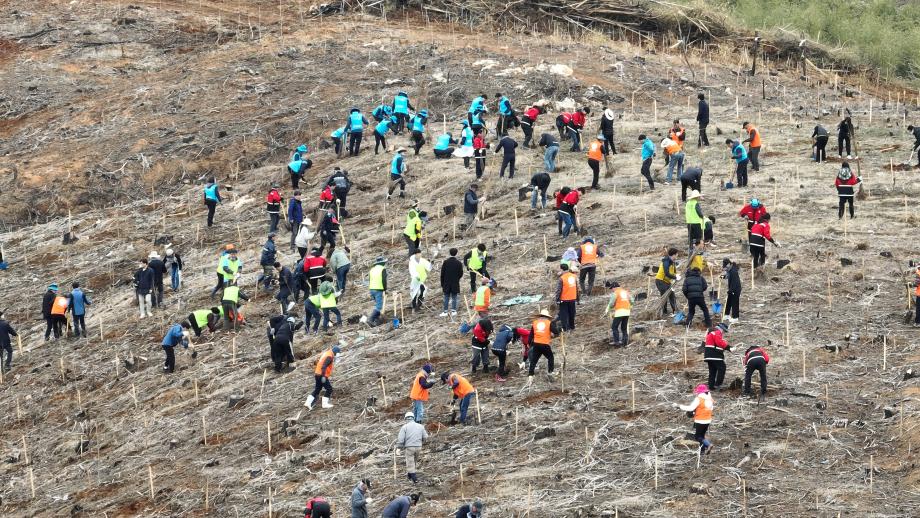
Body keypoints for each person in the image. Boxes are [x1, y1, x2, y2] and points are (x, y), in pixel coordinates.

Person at [676, 384, 714, 454]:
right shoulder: (710, 399)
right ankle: (702, 451)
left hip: (700, 420)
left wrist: (679, 406)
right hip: (708, 420)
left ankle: (708, 444)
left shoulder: (699, 399)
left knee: (697, 437)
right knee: (702, 436)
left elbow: (691, 408)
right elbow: (711, 409)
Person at [396, 411, 429, 483]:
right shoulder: (420, 426)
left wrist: (398, 448)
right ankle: (409, 475)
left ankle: (414, 478)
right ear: (413, 418)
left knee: (410, 462)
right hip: (418, 447)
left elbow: (401, 439)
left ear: (406, 419)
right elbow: (426, 437)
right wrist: (421, 442)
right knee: (414, 461)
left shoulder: (404, 427)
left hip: (409, 447)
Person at [305, 345, 340, 410]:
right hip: (322, 375)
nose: (336, 355)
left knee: (317, 389)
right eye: (337, 353)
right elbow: (324, 366)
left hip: (317, 374)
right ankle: (325, 404)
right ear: (335, 352)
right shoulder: (329, 356)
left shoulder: (327, 353)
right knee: (329, 389)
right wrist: (323, 376)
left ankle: (308, 402)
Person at [529, 309, 559, 378]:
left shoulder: (535, 322)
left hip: (536, 343)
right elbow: (556, 332)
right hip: (545, 343)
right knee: (550, 358)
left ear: (540, 316)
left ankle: (531, 374)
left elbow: (531, 335)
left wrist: (529, 344)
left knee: (534, 359)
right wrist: (552, 334)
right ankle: (550, 372)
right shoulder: (548, 323)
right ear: (547, 316)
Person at [604, 281, 633, 347]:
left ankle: (616, 342)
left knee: (614, 327)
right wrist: (630, 306)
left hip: (620, 312)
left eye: (612, 288)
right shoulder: (625, 292)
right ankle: (625, 342)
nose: (612, 290)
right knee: (624, 327)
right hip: (627, 312)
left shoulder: (616, 293)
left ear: (614, 287)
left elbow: (611, 303)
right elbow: (632, 300)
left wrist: (608, 309)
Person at [704, 323, 730, 390]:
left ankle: (711, 386)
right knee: (722, 368)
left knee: (712, 371)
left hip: (708, 355)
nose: (723, 332)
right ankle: (718, 384)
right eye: (724, 331)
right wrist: (728, 347)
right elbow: (719, 342)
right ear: (721, 329)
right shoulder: (717, 332)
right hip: (715, 355)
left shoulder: (711, 333)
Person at [655, 248, 680, 316]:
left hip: (667, 281)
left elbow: (673, 272)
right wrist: (675, 277)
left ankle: (675, 310)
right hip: (660, 281)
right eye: (677, 254)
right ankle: (664, 312)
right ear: (673, 255)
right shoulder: (666, 261)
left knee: (672, 294)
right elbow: (666, 273)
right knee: (664, 296)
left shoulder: (673, 262)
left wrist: (676, 275)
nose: (677, 256)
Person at [440, 248, 463, 317]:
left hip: (446, 283)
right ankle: (453, 311)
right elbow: (461, 273)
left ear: (449, 253)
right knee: (454, 297)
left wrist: (442, 283)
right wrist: (456, 279)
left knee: (446, 297)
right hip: (455, 282)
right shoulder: (459, 263)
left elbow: (442, 273)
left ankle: (445, 311)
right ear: (456, 253)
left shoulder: (445, 262)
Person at [365, 257, 387, 327]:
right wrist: (385, 289)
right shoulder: (383, 269)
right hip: (378, 289)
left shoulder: (372, 270)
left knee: (377, 304)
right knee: (379, 306)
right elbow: (384, 280)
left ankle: (376, 321)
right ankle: (370, 319)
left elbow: (370, 280)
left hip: (372, 289)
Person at [556, 263, 578, 331]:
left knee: (564, 314)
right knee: (572, 313)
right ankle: (572, 327)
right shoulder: (574, 276)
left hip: (564, 299)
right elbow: (577, 287)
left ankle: (566, 328)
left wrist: (557, 299)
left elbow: (559, 290)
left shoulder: (562, 278)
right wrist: (578, 298)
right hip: (573, 298)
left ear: (561, 269)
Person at [722, 258, 742, 323]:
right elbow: (728, 276)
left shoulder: (733, 271)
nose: (725, 268)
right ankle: (726, 314)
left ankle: (735, 317)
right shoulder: (730, 270)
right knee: (729, 301)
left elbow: (735, 282)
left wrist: (731, 290)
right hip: (732, 289)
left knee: (734, 303)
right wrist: (723, 276)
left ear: (728, 264)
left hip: (735, 289)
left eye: (725, 266)